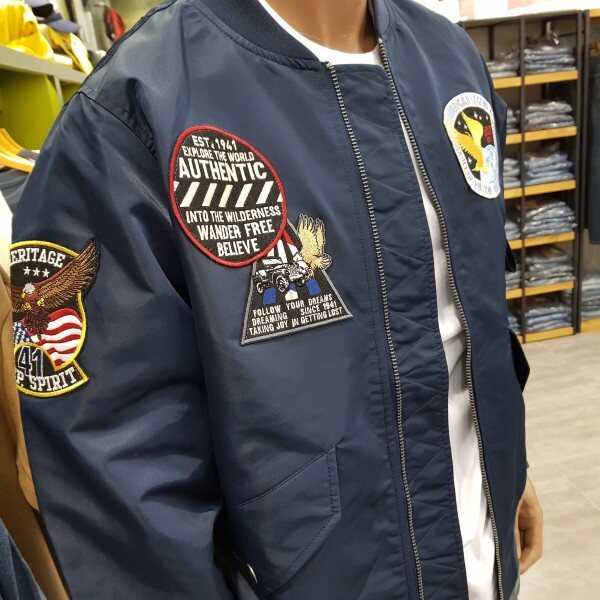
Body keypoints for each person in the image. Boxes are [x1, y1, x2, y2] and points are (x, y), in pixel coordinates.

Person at [9, 0, 543, 598]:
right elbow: (122, 484)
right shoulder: (135, 109)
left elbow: (471, 308)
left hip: (482, 554)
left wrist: (509, 469)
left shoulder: (450, 57)